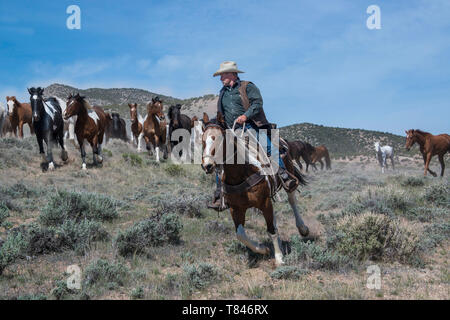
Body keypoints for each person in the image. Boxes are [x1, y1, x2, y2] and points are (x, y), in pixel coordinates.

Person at [207, 61, 297, 211]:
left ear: (233, 74)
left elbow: (257, 103)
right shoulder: (222, 93)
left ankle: (284, 175)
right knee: (219, 159)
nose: (220, 78)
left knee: (268, 146)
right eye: (220, 75)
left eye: (223, 75)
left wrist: (245, 116)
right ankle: (219, 195)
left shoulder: (247, 86)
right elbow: (221, 114)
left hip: (251, 126)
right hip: (231, 131)